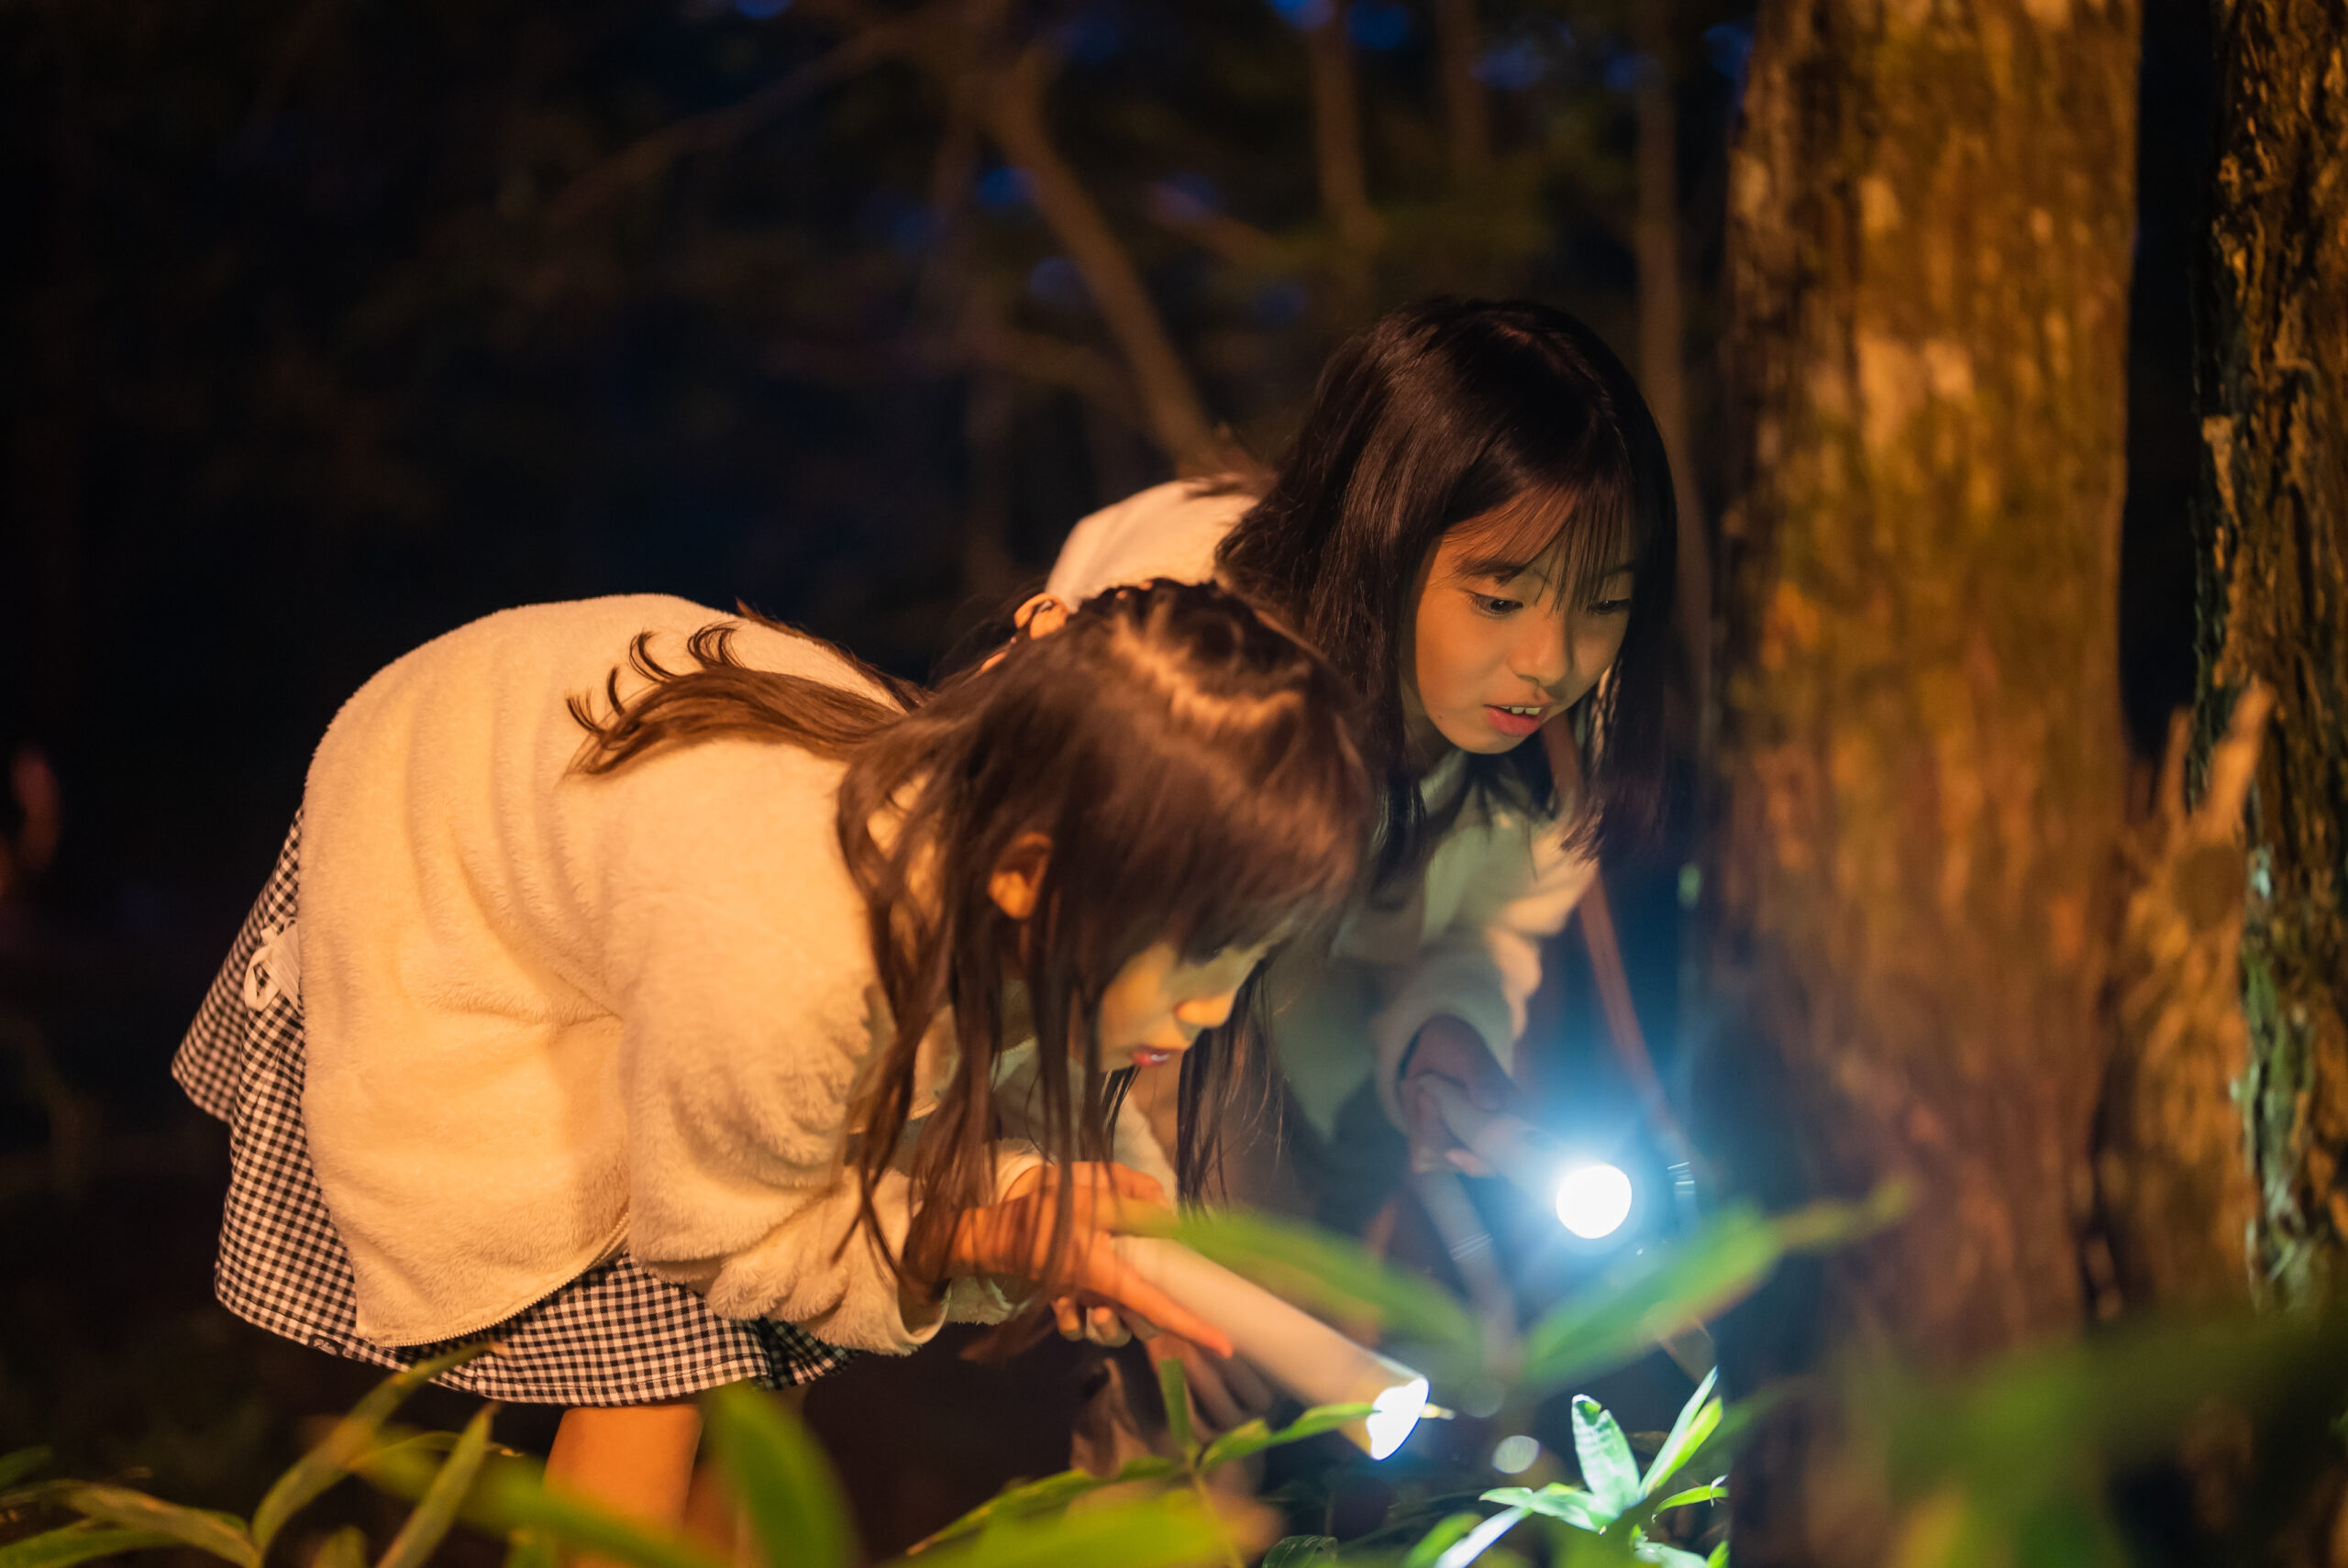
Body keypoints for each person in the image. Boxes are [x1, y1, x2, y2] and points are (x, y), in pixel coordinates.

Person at [172, 581, 1369, 1533]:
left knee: (756, 1367)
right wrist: (968, 1236)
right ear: (1031, 878)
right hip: (445, 833)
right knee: (662, 1358)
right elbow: (720, 1232)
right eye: (1201, 953)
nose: (1216, 1007)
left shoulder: (1004, 836)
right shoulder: (797, 956)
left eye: (1249, 958)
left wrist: (1073, 1196)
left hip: (633, 844)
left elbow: (988, 1076)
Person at [1029, 297, 1677, 1233]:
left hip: (1312, 984)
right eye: (1500, 601)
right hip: (1132, 965)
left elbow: (1487, 925)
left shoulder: (1562, 731)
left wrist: (1448, 1027)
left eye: (1604, 604)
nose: (1552, 660)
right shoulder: (1190, 656)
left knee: (1334, 1203)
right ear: (1384, 539)